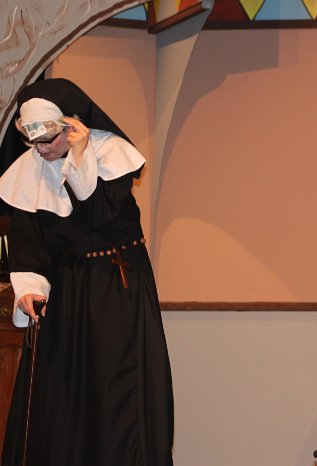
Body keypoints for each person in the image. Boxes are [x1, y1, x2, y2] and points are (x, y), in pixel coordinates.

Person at [0, 78, 173, 466]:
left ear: (72, 125)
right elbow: (28, 241)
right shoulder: (29, 169)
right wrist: (30, 287)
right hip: (65, 296)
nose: (40, 149)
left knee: (114, 395)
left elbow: (99, 216)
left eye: (48, 139)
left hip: (115, 291)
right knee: (60, 398)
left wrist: (80, 158)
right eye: (32, 141)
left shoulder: (110, 153)